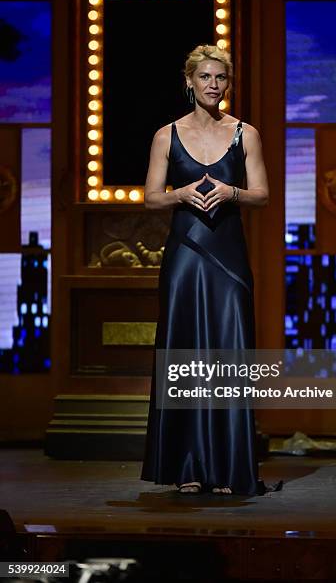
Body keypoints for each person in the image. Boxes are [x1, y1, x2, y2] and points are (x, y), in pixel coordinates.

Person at [141, 44, 270, 495]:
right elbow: (152, 196)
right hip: (185, 255)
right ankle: (187, 466)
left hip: (228, 255)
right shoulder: (166, 135)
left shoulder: (244, 134)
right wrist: (182, 193)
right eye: (206, 78)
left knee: (228, 353)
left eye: (222, 78)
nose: (214, 86)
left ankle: (228, 467)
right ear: (190, 82)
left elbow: (262, 194)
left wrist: (232, 193)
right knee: (184, 354)